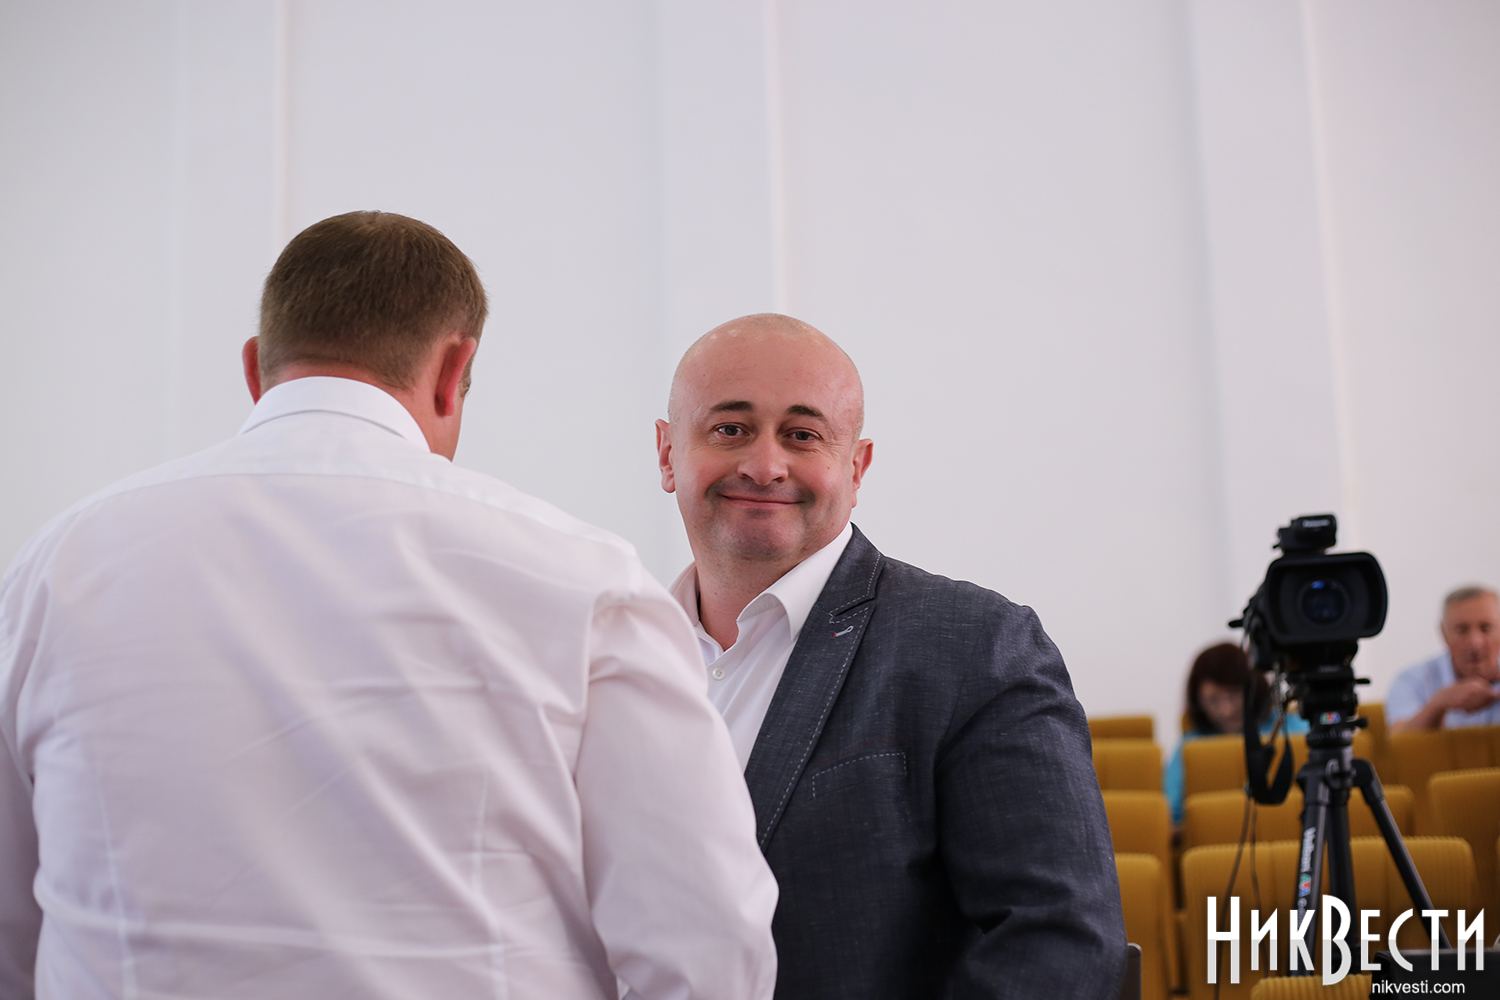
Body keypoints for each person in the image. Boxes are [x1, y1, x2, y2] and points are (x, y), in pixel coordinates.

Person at [0, 212, 777, 999]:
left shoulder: (57, 567)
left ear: (255, 369)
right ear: (453, 368)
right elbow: (706, 946)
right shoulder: (585, 579)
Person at [653, 313, 1126, 999]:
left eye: (802, 434)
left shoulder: (977, 646)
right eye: (730, 429)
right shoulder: (609, 655)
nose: (764, 465)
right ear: (668, 454)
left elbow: (1060, 942)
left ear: (856, 466)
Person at [1162, 642, 1306, 825]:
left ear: (1253, 689)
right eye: (1212, 700)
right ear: (1198, 701)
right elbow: (1171, 815)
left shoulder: (1290, 729)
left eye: (1233, 695)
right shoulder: (1189, 746)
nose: (1226, 710)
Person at [1387, 585, 1500, 733]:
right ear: (1444, 633)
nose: (1475, 642)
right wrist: (1439, 704)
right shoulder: (1412, 680)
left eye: (1486, 628)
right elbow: (1398, 739)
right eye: (1462, 630)